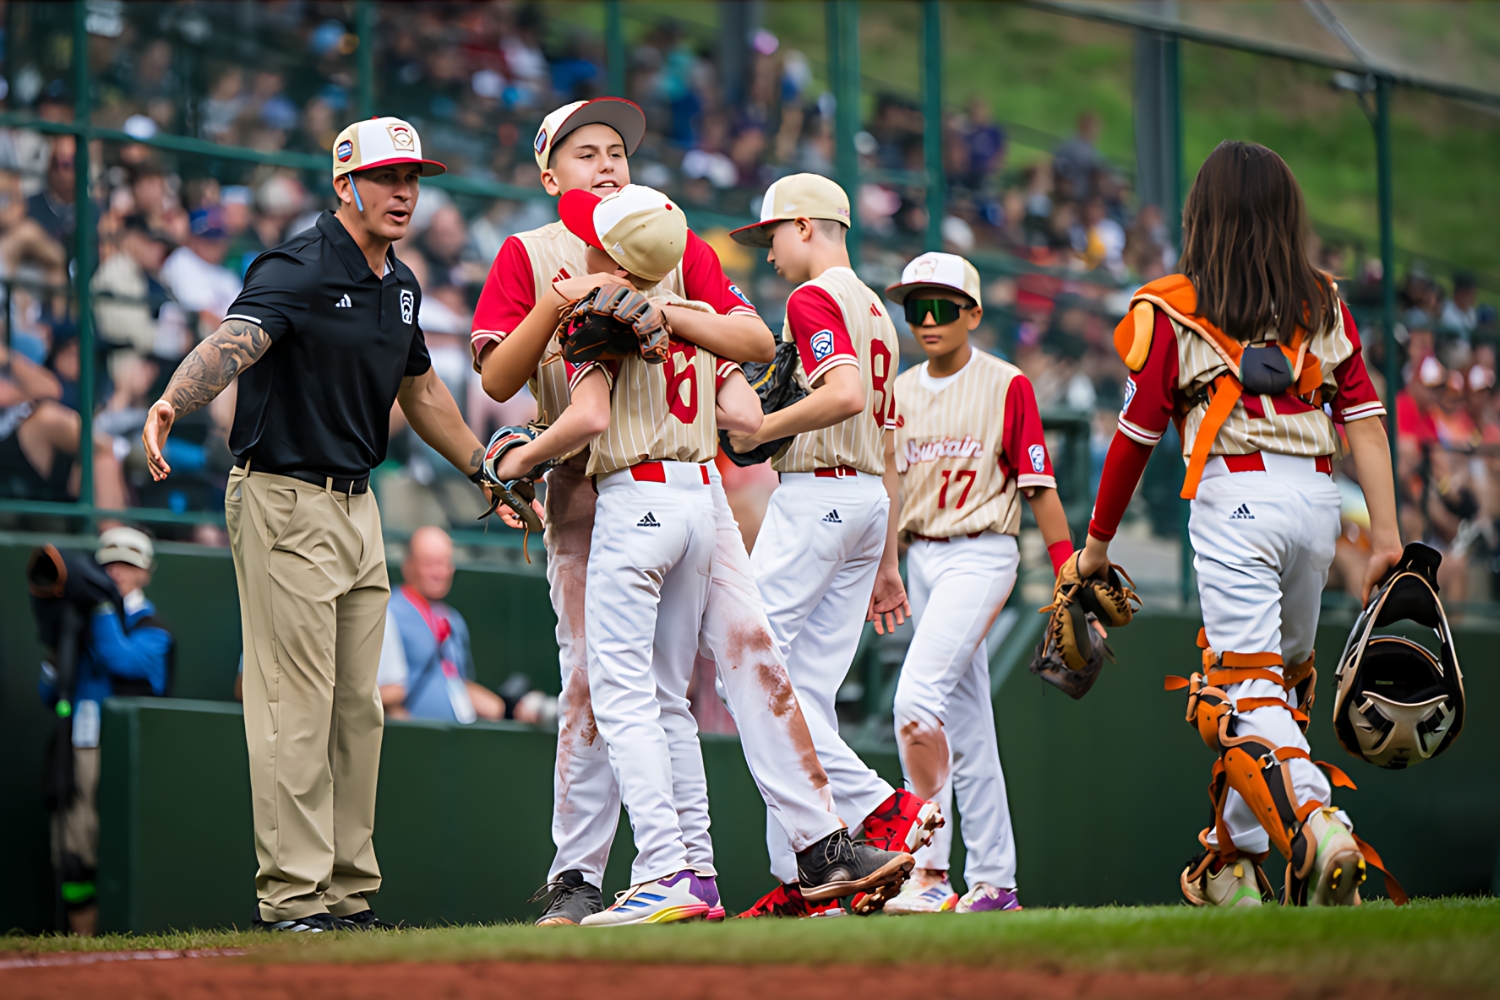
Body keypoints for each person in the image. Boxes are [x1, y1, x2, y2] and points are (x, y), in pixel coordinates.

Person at [473, 100, 906, 926]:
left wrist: (664, 312)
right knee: (593, 687)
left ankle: (782, 851)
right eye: (586, 151)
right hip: (584, 488)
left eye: (618, 152)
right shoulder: (530, 252)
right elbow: (498, 378)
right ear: (547, 171)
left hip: (676, 481)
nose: (607, 163)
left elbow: (752, 341)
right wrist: (564, 304)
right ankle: (583, 873)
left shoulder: (661, 233)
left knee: (736, 662)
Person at [142, 116, 490, 933]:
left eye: (414, 178)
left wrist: (485, 469)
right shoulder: (296, 263)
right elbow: (233, 342)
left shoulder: (401, 284)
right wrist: (170, 400)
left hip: (358, 504)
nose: (405, 191)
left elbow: (424, 393)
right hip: (282, 497)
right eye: (388, 177)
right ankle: (294, 898)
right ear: (345, 185)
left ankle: (343, 894)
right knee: (295, 703)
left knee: (358, 708)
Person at [1083, 140, 1401, 907]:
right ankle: (1233, 861)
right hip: (1319, 507)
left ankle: (1319, 822)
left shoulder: (1171, 306)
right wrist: (1387, 534)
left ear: (1203, 216)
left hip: (1236, 497)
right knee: (1277, 687)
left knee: (1239, 693)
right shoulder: (1323, 302)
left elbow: (1133, 439)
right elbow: (1366, 419)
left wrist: (1095, 547)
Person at [726, 174, 943, 917]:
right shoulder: (879, 310)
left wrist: (760, 428)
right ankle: (805, 875)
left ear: (808, 227)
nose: (771, 252)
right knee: (806, 689)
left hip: (816, 497)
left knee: (752, 675)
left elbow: (846, 395)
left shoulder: (812, 298)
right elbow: (885, 435)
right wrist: (885, 556)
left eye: (774, 236)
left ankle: (877, 806)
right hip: (863, 503)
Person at [878, 252, 1074, 915]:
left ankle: (929, 872)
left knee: (914, 703)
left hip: (983, 553)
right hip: (923, 557)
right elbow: (893, 492)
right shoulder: (900, 391)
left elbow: (1039, 486)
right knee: (967, 727)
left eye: (942, 307)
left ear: (974, 314)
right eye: (915, 308)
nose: (927, 320)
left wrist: (1068, 569)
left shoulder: (1006, 383)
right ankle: (995, 883)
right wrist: (886, 569)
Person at [37, 527, 174, 936]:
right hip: (76, 745)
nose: (117, 573)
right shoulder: (79, 619)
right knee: (71, 851)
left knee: (114, 848)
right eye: (109, 564)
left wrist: (99, 609)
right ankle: (83, 942)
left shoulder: (155, 629)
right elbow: (49, 691)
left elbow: (121, 659)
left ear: (146, 572)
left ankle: (117, 941)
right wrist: (55, 639)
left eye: (128, 565)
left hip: (127, 757)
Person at [379, 526, 505, 723]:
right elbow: (385, 691)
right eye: (429, 564)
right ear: (408, 566)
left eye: (444, 563)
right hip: (416, 742)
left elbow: (456, 682)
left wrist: (502, 708)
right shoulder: (389, 614)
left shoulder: (453, 619)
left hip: (458, 740)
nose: (439, 572)